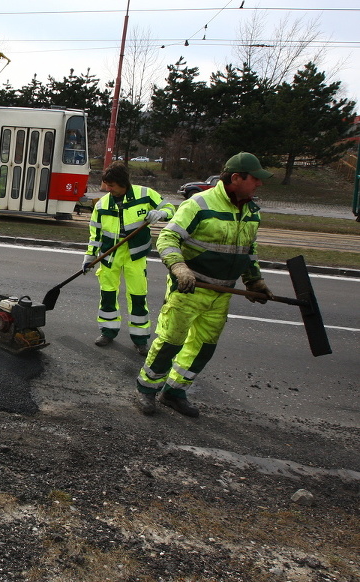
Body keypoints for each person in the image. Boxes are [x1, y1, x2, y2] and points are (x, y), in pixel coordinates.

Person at [134, 152, 274, 417]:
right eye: (255, 179)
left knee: (203, 347)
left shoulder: (252, 211)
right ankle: (147, 390)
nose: (260, 184)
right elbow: (167, 238)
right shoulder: (199, 204)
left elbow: (248, 249)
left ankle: (174, 391)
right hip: (189, 288)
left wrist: (254, 280)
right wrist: (179, 268)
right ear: (236, 178)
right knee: (170, 343)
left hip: (221, 293)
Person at [84, 162, 175, 356]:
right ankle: (108, 332)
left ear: (123, 183)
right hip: (110, 256)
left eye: (112, 186)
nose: (108, 189)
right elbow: (95, 234)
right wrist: (89, 256)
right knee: (108, 295)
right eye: (107, 185)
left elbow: (170, 208)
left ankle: (140, 339)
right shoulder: (102, 205)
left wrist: (161, 213)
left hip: (135, 256)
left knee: (137, 297)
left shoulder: (145, 195)